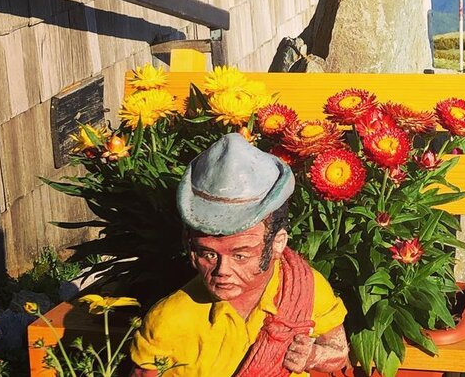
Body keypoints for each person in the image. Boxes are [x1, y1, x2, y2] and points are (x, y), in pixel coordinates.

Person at [130, 134, 349, 377]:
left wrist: (314, 356)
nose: (222, 270)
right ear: (191, 249)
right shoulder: (170, 321)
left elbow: (338, 352)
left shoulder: (306, 289)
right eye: (209, 255)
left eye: (240, 256)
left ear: (277, 244)